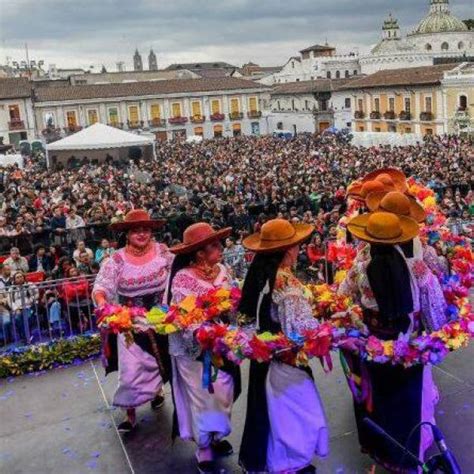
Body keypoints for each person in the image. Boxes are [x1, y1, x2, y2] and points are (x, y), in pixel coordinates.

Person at [340, 211, 443, 471]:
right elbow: (434, 304)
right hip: (409, 345)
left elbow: (343, 295)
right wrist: (436, 334)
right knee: (408, 404)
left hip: (374, 345)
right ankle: (410, 458)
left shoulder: (361, 266)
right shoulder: (415, 267)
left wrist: (356, 319)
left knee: (380, 400)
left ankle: (384, 453)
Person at [239, 218, 329, 474]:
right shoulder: (284, 282)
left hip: (267, 357)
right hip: (284, 357)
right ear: (285, 250)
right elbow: (299, 329)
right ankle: (289, 462)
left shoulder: (261, 275)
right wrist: (325, 326)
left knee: (275, 410)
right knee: (297, 411)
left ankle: (276, 461)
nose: (298, 250)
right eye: (295, 246)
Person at [166, 222, 239, 474]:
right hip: (194, 347)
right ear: (199, 253)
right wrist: (201, 333)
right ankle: (204, 446)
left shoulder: (223, 270)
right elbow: (184, 314)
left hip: (223, 342)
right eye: (215, 245)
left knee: (225, 391)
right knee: (202, 397)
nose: (220, 248)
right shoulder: (182, 278)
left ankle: (216, 435)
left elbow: (233, 300)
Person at [92, 209, 173, 432]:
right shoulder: (116, 260)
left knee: (159, 362)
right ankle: (130, 414)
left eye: (145, 229)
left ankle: (157, 392)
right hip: (130, 322)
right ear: (127, 233)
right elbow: (102, 286)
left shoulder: (163, 252)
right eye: (136, 230)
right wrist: (102, 303)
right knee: (131, 371)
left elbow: (178, 274)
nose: (141, 234)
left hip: (161, 318)